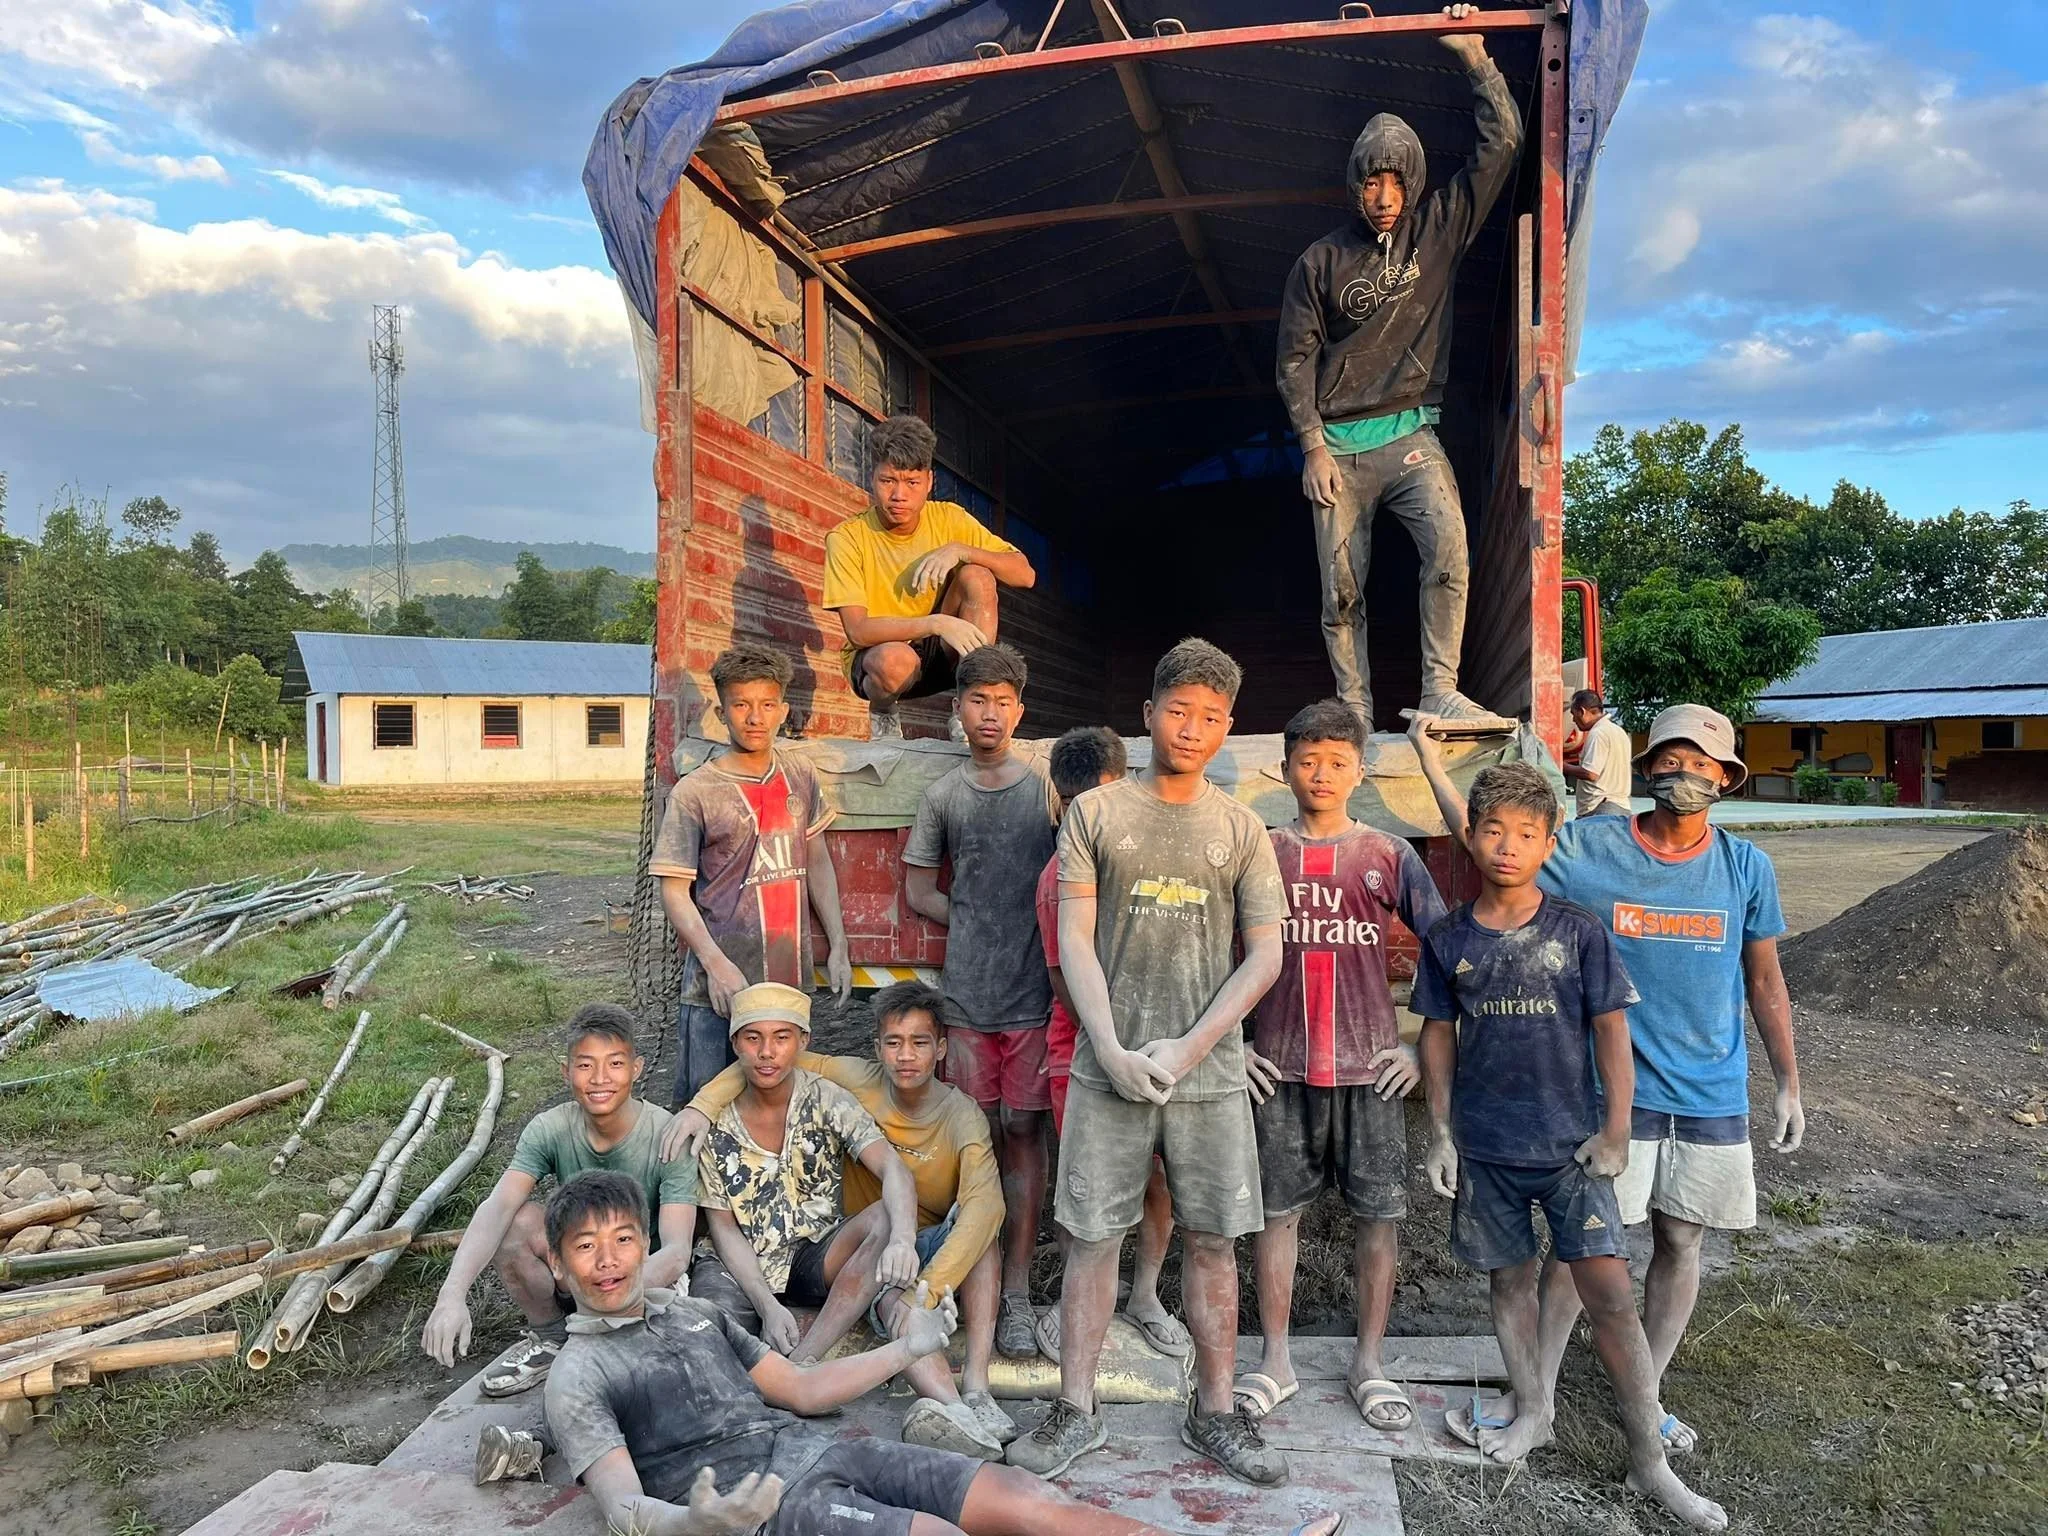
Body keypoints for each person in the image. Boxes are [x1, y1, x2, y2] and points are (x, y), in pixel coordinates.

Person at [484, 1170, 1344, 1536]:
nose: (608, 1262)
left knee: (1027, 1500)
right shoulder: (579, 1374)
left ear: (644, 1244)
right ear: (557, 1266)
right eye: (586, 1249)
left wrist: (907, 1350)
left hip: (822, 1449)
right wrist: (697, 1523)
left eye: (622, 1240)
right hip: (762, 1510)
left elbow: (802, 1389)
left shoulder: (696, 1317)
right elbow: (624, 1509)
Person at [1410, 703, 1803, 1461]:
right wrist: (1432, 764)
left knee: (1682, 1239)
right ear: (1648, 768)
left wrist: (1787, 1081)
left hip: (1711, 1088)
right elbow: (1493, 836)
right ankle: (1537, 1395)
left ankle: (1647, 1397)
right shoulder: (1591, 847)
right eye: (1671, 760)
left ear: (1726, 778)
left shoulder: (1745, 866)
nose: (1685, 775)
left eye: (1702, 765)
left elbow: (1764, 979)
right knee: (1576, 1253)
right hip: (1605, 1095)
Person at [1411, 762, 1725, 1531]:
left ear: (1549, 843)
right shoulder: (1449, 938)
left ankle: (1649, 1459)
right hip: (1488, 1150)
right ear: (1470, 838)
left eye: (1526, 834)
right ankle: (1534, 1411)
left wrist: (1616, 1131)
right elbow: (1437, 1038)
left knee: (1610, 1294)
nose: (1507, 846)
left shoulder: (1578, 931)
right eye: (1493, 830)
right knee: (1509, 1285)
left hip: (1572, 1151)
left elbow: (1612, 1032)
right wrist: (1442, 1134)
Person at [1007, 640, 1288, 1486]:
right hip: (1108, 1073)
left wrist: (1191, 1047)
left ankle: (1216, 1413)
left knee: (1213, 1244)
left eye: (1211, 717)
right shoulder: (1096, 815)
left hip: (1209, 1078)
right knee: (1091, 1242)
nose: (1192, 729)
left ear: (1228, 727)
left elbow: (1266, 956)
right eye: (1178, 711)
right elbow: (1075, 942)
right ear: (1148, 713)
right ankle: (1076, 1411)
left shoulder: (1242, 829)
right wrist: (1109, 1049)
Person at [1274, 5, 1523, 731]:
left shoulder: (1439, 229)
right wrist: (1312, 447)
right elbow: (1294, 359)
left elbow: (1503, 146)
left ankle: (1440, 688)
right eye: (1370, 183)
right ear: (1353, 185)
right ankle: (1354, 710)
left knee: (1449, 551)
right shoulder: (1319, 262)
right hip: (1338, 453)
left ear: (1412, 183)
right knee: (1341, 591)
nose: (1382, 197)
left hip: (1411, 437)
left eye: (1394, 182)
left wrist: (1476, 60)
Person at [670, 979, 1015, 1459]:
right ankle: (767, 1401)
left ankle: (973, 1394)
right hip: (806, 1256)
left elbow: (975, 1205)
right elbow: (766, 1064)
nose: (906, 1056)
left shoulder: (951, 1114)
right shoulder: (846, 1081)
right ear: (877, 1048)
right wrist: (701, 1106)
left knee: (979, 1241)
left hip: (887, 1247)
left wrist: (922, 1275)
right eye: (893, 1043)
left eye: (919, 1043)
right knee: (712, 1338)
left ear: (940, 1049)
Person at [1237, 700, 1447, 1431]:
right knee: (1275, 1217)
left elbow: (1450, 949)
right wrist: (1235, 1046)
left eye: (1337, 762)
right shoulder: (1261, 850)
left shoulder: (1389, 854)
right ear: (1284, 768)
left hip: (1369, 1072)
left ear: (1361, 771)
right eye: (1308, 761)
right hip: (1279, 1071)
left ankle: (1369, 1362)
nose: (1321, 774)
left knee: (1378, 1220)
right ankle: (1275, 1359)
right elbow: (1218, 952)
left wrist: (1419, 1046)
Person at [902, 643, 1058, 1360]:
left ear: (1020, 711)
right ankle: (972, 1282)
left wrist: (1031, 926)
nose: (989, 714)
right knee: (976, 1139)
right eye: (976, 700)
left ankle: (1018, 1292)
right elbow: (919, 890)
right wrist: (973, 918)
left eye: (1002, 701)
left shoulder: (1045, 792)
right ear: (956, 708)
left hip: (1033, 1001)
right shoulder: (944, 797)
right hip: (965, 1001)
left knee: (1024, 1131)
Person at [420, 1004, 699, 1397]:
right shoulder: (550, 1128)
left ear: (636, 1069)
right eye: (585, 1065)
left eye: (615, 1064)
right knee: (515, 1224)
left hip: (643, 1280)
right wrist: (451, 1295)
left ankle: (602, 1334)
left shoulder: (667, 1134)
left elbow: (676, 1250)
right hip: (581, 1274)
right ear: (566, 1072)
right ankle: (552, 1336)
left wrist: (612, 1299)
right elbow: (497, 1208)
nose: (600, 1078)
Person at [1033, 726, 1187, 1366]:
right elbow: (1060, 974)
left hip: (1161, 1045)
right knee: (1084, 1185)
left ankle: (1145, 1295)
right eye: (1077, 806)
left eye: (1101, 801)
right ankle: (1076, 1302)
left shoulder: (1160, 856)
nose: (1090, 818)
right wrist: (1109, 1047)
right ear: (1062, 805)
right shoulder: (1057, 876)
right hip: (1082, 1050)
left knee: (1160, 1178)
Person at [651, 643, 852, 1105]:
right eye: (741, 705)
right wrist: (715, 965)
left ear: (783, 711)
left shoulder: (799, 774)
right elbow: (674, 891)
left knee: (779, 1105)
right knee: (707, 1106)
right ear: (722, 713)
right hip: (718, 987)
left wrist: (838, 945)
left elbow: (817, 861)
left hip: (785, 981)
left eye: (766, 705)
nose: (755, 718)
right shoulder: (696, 792)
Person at [690, 981, 925, 1372]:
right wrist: (767, 1306)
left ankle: (804, 1363)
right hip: (737, 1264)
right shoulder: (713, 1122)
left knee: (886, 1215)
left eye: (782, 1038)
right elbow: (724, 1228)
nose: (767, 1052)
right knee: (707, 1333)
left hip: (813, 1252)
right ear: (735, 1044)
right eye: (753, 1038)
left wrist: (903, 1239)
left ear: (803, 1041)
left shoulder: (826, 1098)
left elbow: (893, 1168)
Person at [822, 414, 1036, 739]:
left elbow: (1025, 574)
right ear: (871, 477)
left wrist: (962, 550)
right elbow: (858, 630)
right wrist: (935, 623)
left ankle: (968, 705)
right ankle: (883, 713)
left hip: (944, 653)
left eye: (912, 483)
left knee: (978, 575)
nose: (899, 495)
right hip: (883, 660)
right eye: (888, 481)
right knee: (893, 661)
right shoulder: (847, 537)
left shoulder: (949, 519)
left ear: (929, 482)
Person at [1562, 689, 1634, 818]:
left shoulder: (1598, 733)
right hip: (1620, 807)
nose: (1573, 720)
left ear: (1582, 711)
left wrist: (1561, 766)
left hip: (1601, 808)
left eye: (1574, 714)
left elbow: (1590, 773)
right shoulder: (1618, 731)